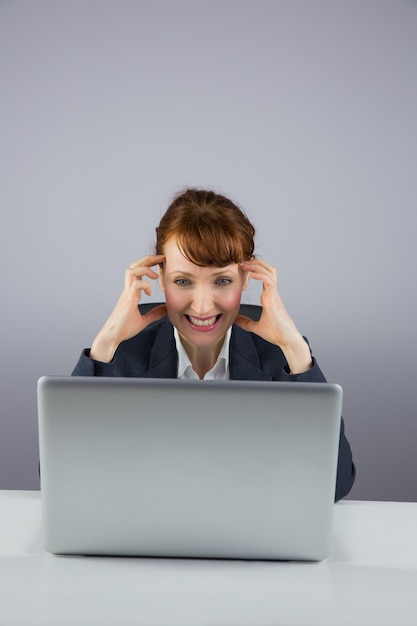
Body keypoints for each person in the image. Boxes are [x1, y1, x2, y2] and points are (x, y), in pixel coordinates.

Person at [72, 187, 355, 501]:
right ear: (160, 276)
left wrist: (296, 350)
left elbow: (335, 484)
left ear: (246, 278)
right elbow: (65, 478)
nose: (203, 306)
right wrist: (105, 343)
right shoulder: (123, 351)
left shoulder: (279, 355)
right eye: (183, 281)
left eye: (222, 281)